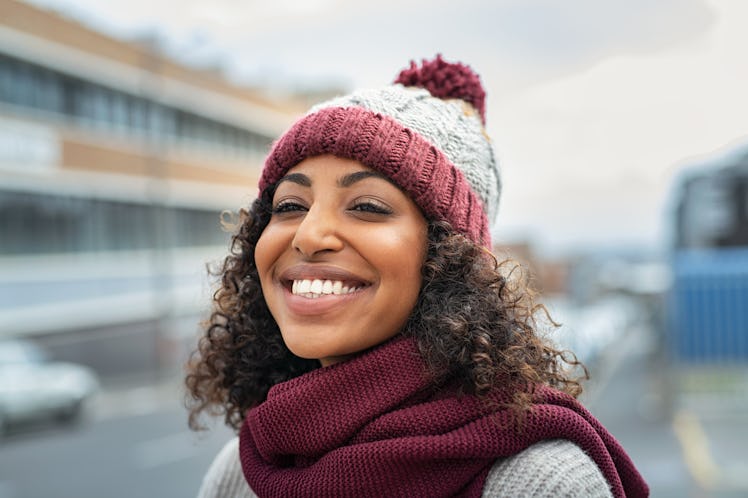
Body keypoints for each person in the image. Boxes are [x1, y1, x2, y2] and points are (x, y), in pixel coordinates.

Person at [185, 55, 649, 498]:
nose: (308, 235)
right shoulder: (240, 474)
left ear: (449, 258)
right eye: (289, 206)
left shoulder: (541, 483)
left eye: (367, 206)